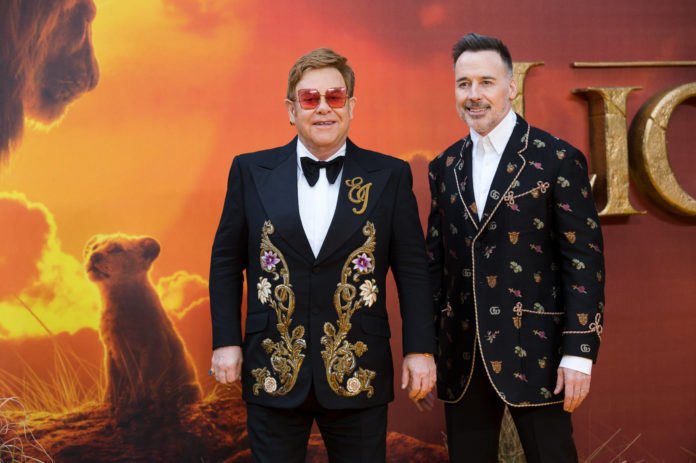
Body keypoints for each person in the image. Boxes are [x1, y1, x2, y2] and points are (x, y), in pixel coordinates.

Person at [209, 47, 436, 463]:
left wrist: (420, 350)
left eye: (334, 97)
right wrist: (225, 341)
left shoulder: (389, 175)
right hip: (272, 363)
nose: (323, 108)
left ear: (351, 106)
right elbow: (225, 262)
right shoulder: (250, 171)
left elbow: (413, 271)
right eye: (310, 98)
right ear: (291, 110)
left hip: (359, 366)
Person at [426, 33, 605, 462]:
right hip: (462, 354)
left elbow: (584, 263)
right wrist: (427, 350)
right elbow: (436, 265)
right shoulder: (443, 167)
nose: (473, 94)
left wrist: (579, 354)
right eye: (464, 83)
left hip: (538, 351)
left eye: (486, 82)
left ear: (511, 86)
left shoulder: (557, 159)